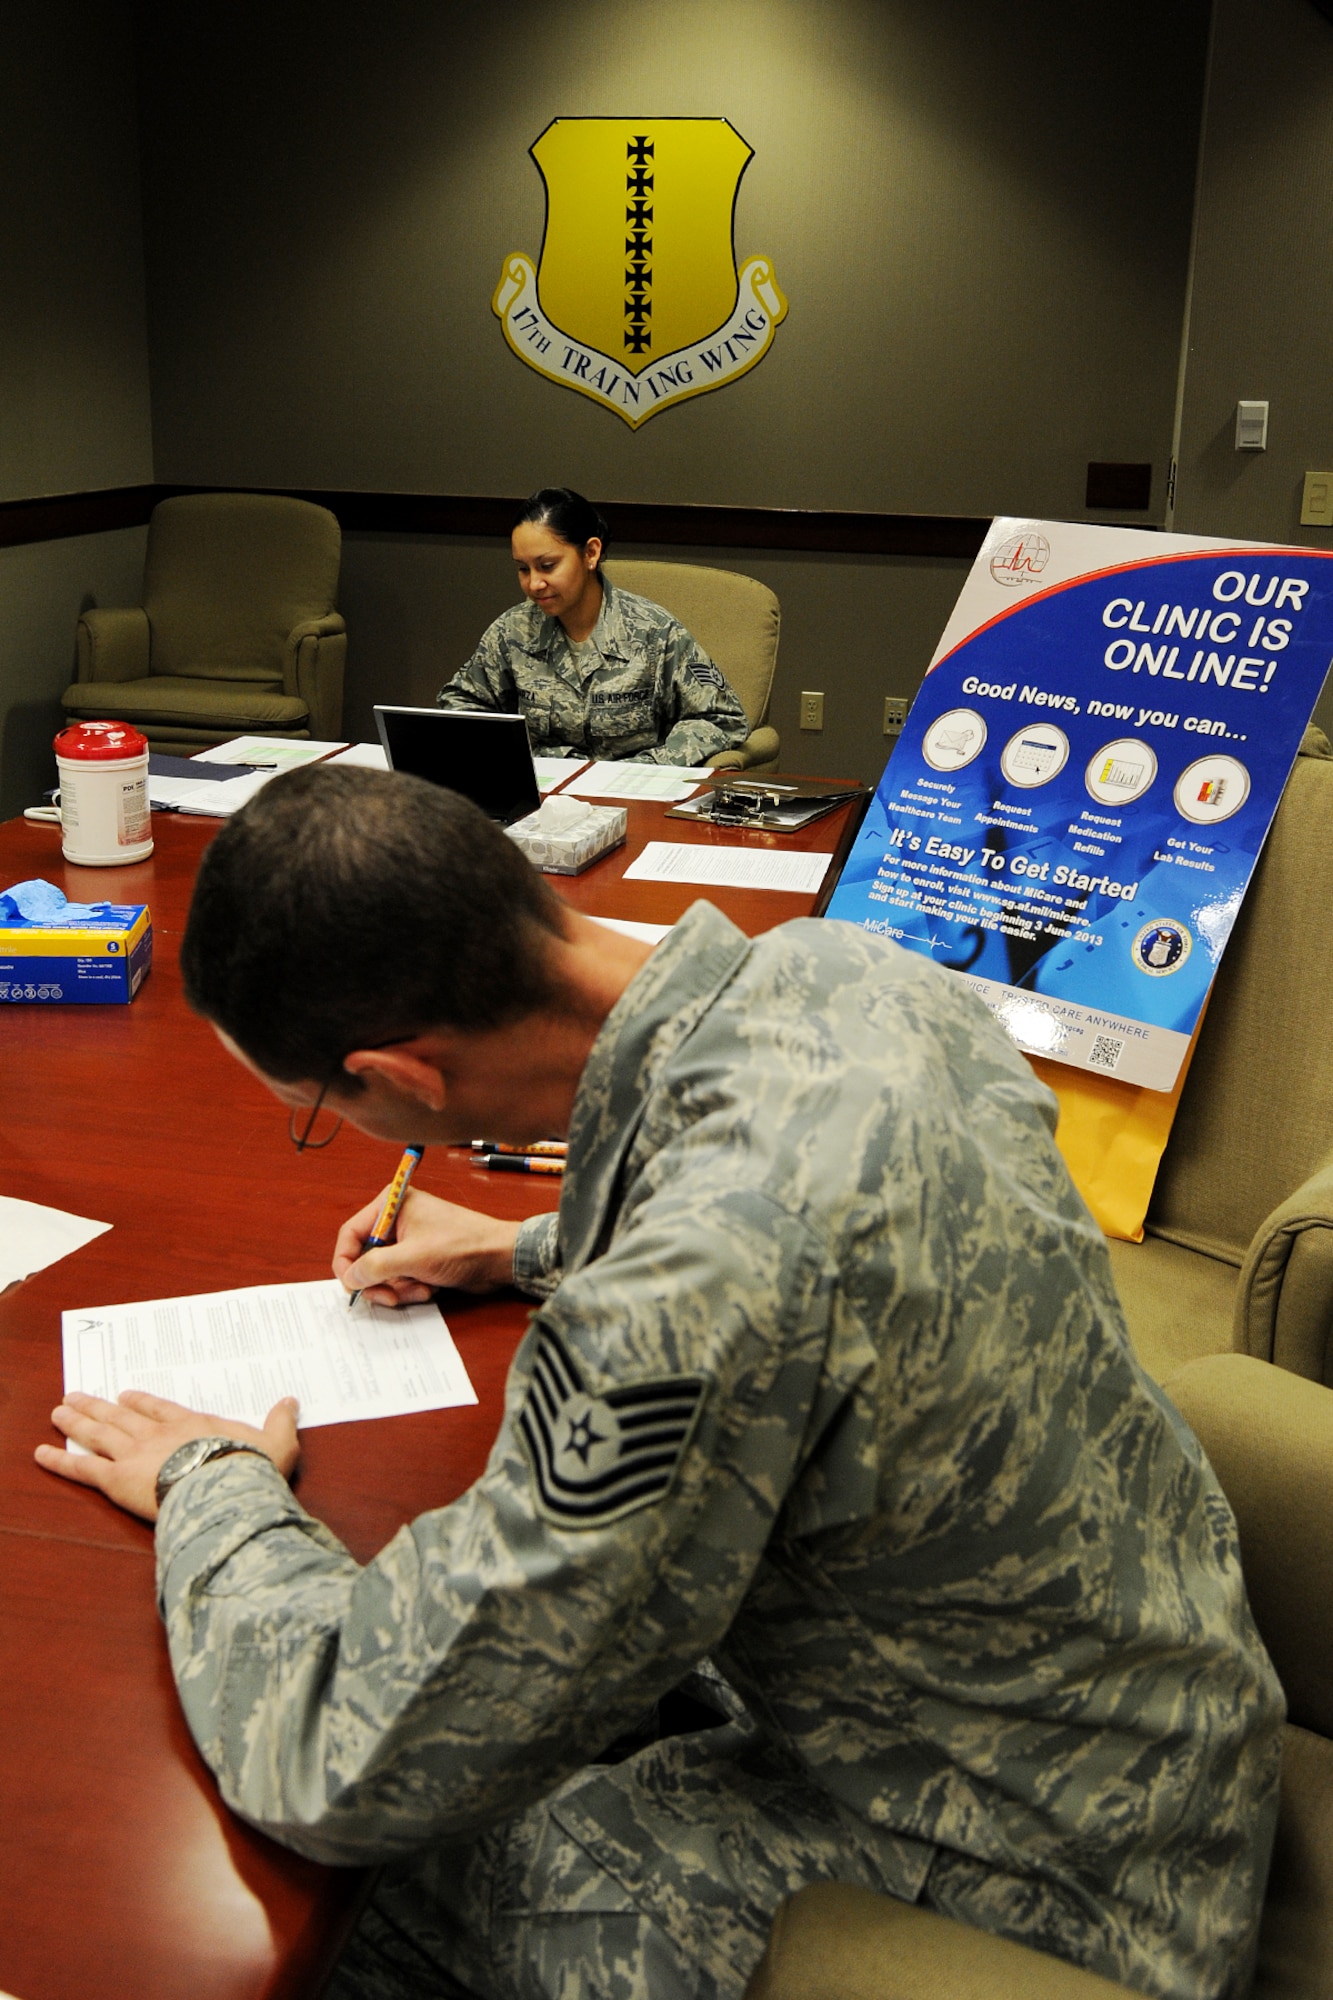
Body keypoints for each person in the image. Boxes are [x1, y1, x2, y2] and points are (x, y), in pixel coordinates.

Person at [35, 763, 1282, 2000]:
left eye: (316, 1110)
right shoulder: (850, 970)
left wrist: (216, 1488)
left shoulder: (686, 1298)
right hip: (1156, 1740)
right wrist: (525, 1242)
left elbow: (351, 1750)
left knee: (335, 1905)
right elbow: (839, 1235)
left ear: (407, 1080)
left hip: (1029, 1896)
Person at [436, 487, 751, 765]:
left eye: (547, 566)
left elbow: (720, 718)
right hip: (541, 800)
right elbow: (460, 706)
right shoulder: (513, 632)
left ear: (590, 553)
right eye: (522, 569)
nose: (533, 584)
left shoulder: (653, 633)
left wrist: (650, 766)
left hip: (631, 800)